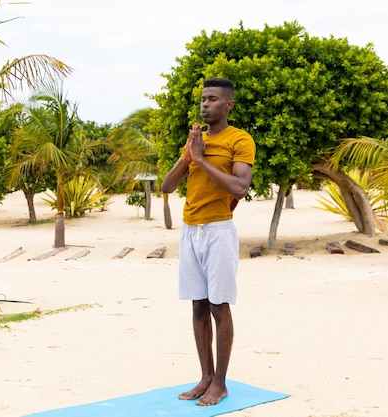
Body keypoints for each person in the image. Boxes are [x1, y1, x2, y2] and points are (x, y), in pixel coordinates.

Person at [161, 77, 255, 406]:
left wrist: (201, 161)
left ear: (228, 105)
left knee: (218, 305)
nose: (205, 104)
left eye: (213, 99)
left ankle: (221, 382)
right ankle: (204, 377)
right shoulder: (194, 143)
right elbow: (167, 186)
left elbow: (240, 187)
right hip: (190, 230)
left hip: (218, 230)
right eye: (203, 99)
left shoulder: (240, 140)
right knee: (198, 304)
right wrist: (189, 157)